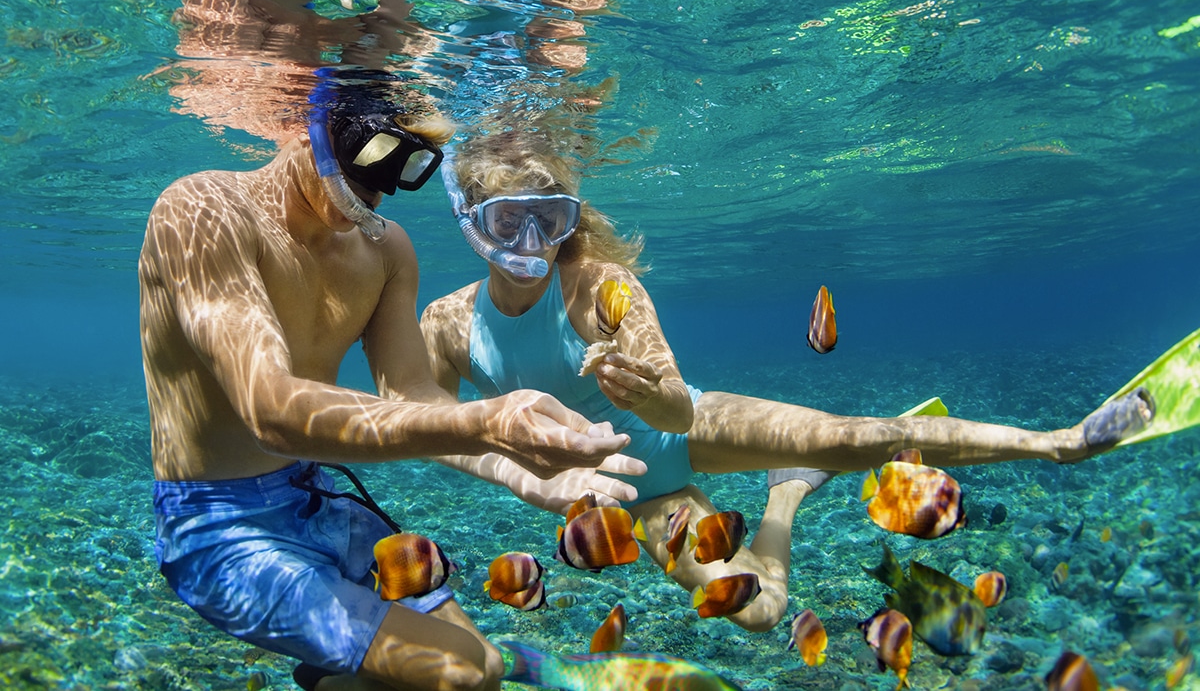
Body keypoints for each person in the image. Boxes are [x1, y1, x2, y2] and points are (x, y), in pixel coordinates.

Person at [417, 127, 1156, 633]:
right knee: (760, 612)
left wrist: (647, 390)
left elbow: (675, 404)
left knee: (862, 438)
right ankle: (788, 490)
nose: (532, 242)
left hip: (690, 428)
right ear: (471, 223)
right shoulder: (447, 324)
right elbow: (424, 425)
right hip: (637, 498)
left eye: (551, 219)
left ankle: (1060, 442)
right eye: (509, 220)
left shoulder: (599, 286)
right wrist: (510, 461)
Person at [138, 98, 644, 691]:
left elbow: (411, 392)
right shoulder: (203, 209)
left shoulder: (385, 250)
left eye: (399, 174)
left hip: (315, 499)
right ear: (311, 126)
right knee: (464, 674)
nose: (374, 195)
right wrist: (485, 425)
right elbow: (267, 408)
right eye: (364, 164)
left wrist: (516, 470)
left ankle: (327, 676)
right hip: (218, 527)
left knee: (478, 665)